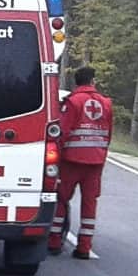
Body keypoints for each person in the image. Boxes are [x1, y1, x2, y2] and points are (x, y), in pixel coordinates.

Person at [48, 66, 113, 259]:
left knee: (61, 199)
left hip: (72, 160)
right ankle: (84, 247)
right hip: (95, 162)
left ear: (77, 82)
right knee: (89, 203)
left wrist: (56, 157)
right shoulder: (107, 104)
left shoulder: (73, 102)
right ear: (92, 81)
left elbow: (63, 132)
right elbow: (108, 135)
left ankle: (53, 242)